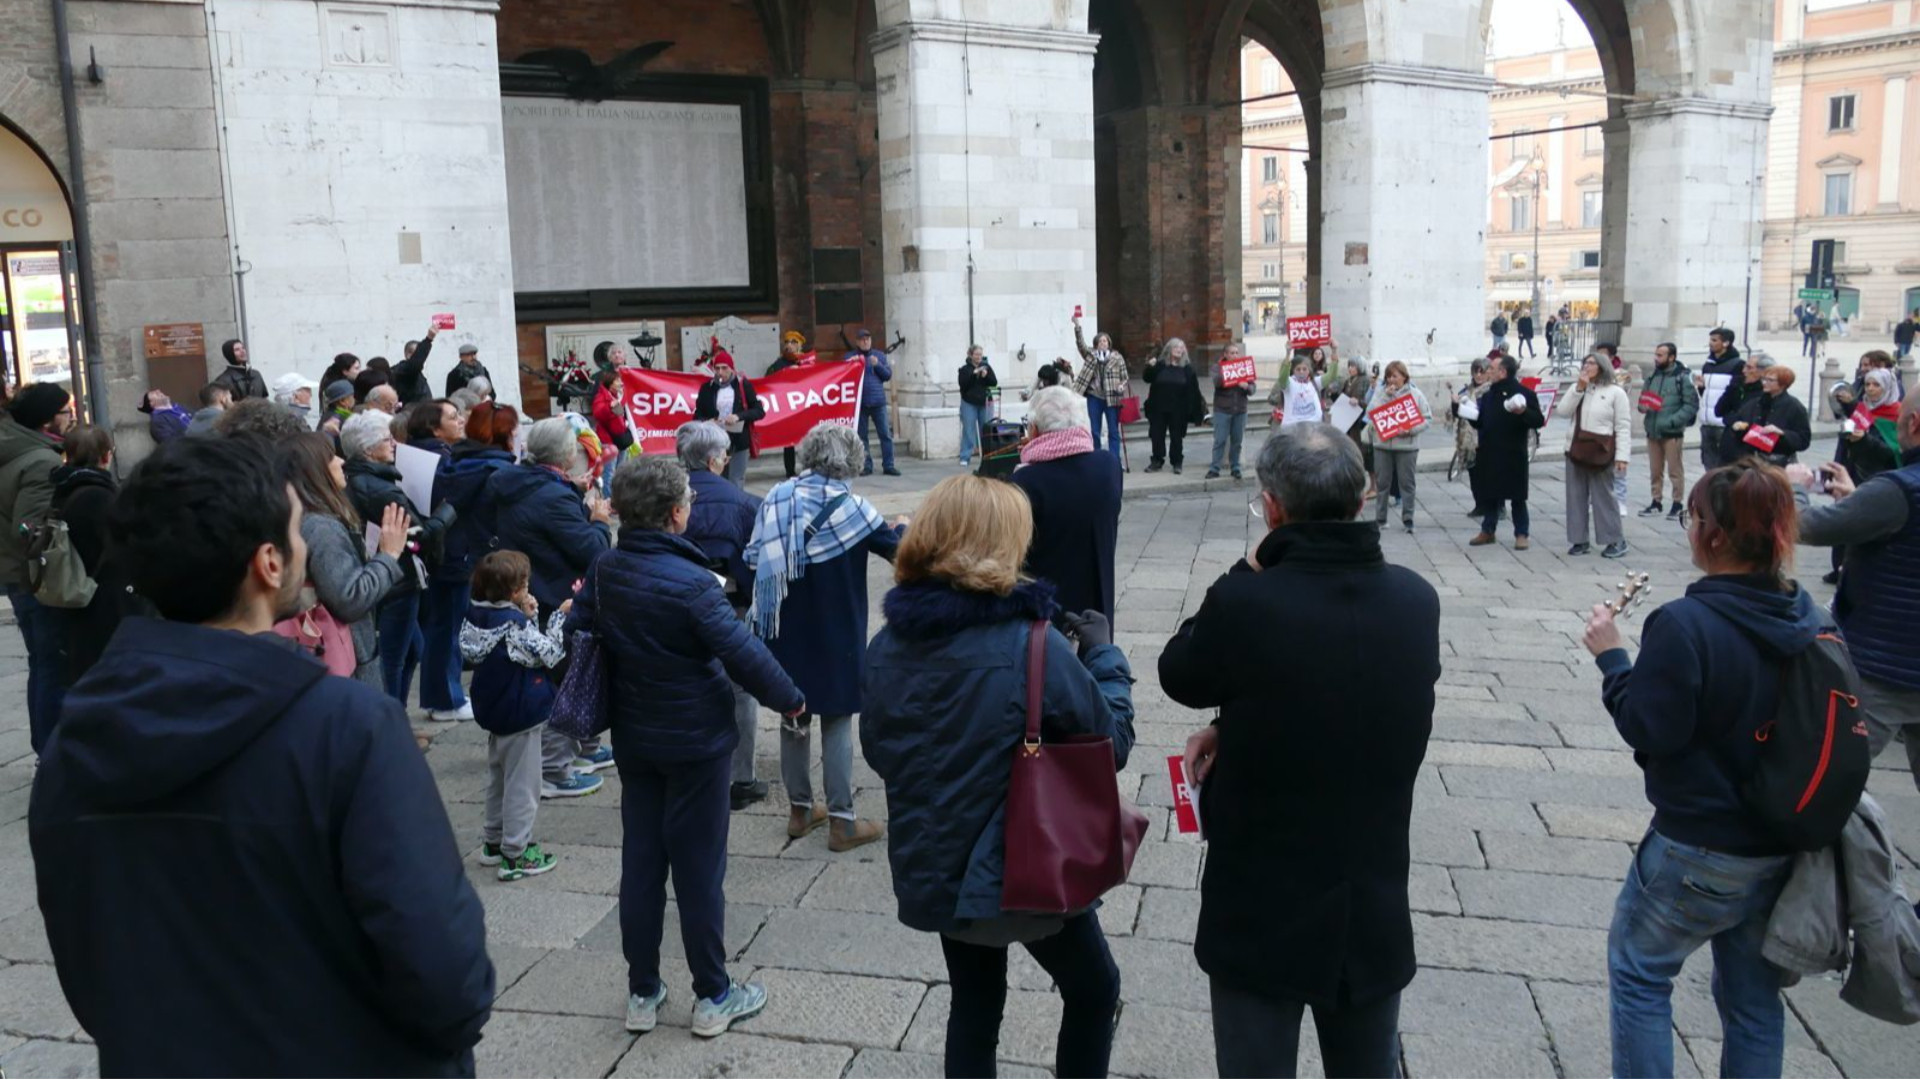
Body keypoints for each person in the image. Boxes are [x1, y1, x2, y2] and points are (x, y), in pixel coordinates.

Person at [30, 437, 493, 1075]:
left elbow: (86, 963)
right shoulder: (348, 729)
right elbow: (444, 969)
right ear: (270, 563)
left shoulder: (73, 742)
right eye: (300, 531)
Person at [1161, 422, 1439, 1078]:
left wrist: (1246, 565)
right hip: (1367, 900)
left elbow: (1182, 673)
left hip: (1261, 904)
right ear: (1365, 496)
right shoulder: (1414, 600)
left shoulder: (1247, 600)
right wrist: (1238, 726)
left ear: (1272, 507)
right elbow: (1347, 691)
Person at [861, 474, 1134, 1078]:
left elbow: (879, 749)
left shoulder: (886, 645)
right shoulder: (1033, 644)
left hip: (938, 864)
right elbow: (1110, 744)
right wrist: (1105, 656)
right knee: (1094, 988)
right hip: (1023, 865)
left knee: (975, 1001)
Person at [1580, 459, 1820, 1079]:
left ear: (1713, 536)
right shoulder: (1808, 616)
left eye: (1693, 518)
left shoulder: (1686, 623)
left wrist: (1613, 661)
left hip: (1699, 844)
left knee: (1640, 973)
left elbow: (1650, 728)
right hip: (1779, 842)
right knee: (1753, 1000)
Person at [567, 455, 804, 1038]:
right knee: (699, 869)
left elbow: (578, 632)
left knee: (642, 863)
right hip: (697, 740)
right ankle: (714, 994)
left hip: (637, 734)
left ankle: (642, 991)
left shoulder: (605, 567)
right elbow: (742, 653)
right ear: (675, 514)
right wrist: (792, 701)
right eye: (689, 504)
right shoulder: (695, 583)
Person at [744, 424, 905, 851]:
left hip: (785, 628)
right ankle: (842, 822)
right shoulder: (856, 509)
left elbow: (753, 557)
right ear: (851, 460)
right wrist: (903, 528)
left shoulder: (777, 499)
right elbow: (899, 552)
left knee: (792, 715)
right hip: (837, 631)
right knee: (837, 718)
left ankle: (799, 811)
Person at [1789, 394, 1920, 809]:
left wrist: (1793, 487)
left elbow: (1803, 527)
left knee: (1822, 782)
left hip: (1888, 666)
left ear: (1914, 424)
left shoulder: (1897, 491)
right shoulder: (1889, 495)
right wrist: (1858, 499)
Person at [489, 417, 614, 798]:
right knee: (569, 673)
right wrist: (598, 521)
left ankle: (583, 745)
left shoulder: (520, 481)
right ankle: (554, 769)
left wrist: (572, 493)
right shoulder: (551, 495)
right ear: (565, 455)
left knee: (571, 669)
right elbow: (592, 549)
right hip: (555, 593)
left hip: (536, 586)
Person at [676, 420, 771, 811]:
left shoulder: (667, 498)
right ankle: (740, 778)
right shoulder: (745, 502)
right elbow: (762, 562)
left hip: (677, 604)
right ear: (717, 460)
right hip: (732, 606)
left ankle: (691, 769)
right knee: (741, 689)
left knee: (684, 681)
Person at [460, 550, 567, 882]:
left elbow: (515, 652)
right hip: (521, 712)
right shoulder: (513, 624)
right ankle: (516, 854)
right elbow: (548, 654)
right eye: (524, 583)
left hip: (494, 709)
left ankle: (493, 842)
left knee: (498, 779)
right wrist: (558, 619)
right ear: (514, 590)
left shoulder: (477, 615)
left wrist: (528, 616)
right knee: (523, 785)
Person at [280, 432, 408, 687]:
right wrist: (389, 555)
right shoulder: (320, 527)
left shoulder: (301, 515)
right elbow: (350, 598)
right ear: (314, 471)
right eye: (330, 457)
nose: (341, 461)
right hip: (347, 661)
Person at [340, 410, 448, 707]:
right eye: (387, 439)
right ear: (367, 450)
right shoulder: (379, 488)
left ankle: (396, 721)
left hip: (393, 577)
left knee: (412, 650)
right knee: (392, 659)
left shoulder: (366, 478)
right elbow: (419, 535)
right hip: (396, 580)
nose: (394, 443)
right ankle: (391, 728)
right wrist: (448, 512)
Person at [1010, 387, 1123, 626]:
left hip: (1046, 609)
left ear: (1035, 430)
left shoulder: (1026, 481)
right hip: (1097, 606)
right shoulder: (1108, 467)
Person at [1, 382, 74, 750]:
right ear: (47, 419)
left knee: (41, 663)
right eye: (65, 411)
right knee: (52, 666)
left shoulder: (15, 447)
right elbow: (28, 530)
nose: (70, 417)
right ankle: (50, 750)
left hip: (15, 574)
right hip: (35, 577)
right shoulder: (41, 460)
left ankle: (45, 747)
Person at [404, 399, 480, 722]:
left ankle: (442, 697)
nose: (460, 420)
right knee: (447, 627)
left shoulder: (417, 454)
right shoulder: (440, 460)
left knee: (441, 626)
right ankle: (447, 699)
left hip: (434, 552)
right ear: (434, 428)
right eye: (452, 417)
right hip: (448, 552)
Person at [45, 425, 137, 687]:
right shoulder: (98, 495)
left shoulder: (63, 488)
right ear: (106, 456)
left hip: (78, 595)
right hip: (102, 598)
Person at [1470, 354, 1546, 550]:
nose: (1489, 373)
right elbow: (1480, 422)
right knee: (1490, 494)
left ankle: (1521, 533)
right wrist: (1460, 410)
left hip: (1513, 452)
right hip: (1490, 451)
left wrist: (1523, 412)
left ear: (1503, 372)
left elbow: (1538, 420)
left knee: (1517, 496)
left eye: (1492, 369)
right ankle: (1488, 530)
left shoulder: (1524, 394)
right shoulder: (1488, 395)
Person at [1561, 355, 1633, 558]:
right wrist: (1578, 389)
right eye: (1585, 363)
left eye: (1591, 363)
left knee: (1604, 498)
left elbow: (1622, 426)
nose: (1586, 366)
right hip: (1575, 448)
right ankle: (1579, 539)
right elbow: (1563, 411)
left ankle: (1615, 539)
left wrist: (1622, 456)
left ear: (1602, 367)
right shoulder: (1578, 388)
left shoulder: (1615, 393)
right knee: (1575, 497)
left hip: (1601, 451)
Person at [1364, 360, 1430, 534]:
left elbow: (1427, 418)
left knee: (1407, 483)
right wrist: (1385, 395)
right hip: (1382, 445)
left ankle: (1408, 519)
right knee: (1382, 483)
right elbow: (1371, 413)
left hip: (1406, 447)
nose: (1391, 380)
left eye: (1395, 376)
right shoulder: (1381, 393)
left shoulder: (1415, 395)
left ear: (1404, 376)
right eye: (1388, 376)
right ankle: (1381, 518)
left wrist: (1410, 430)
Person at [1637, 342, 1700, 520]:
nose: (1656, 358)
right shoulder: (1652, 378)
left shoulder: (1682, 378)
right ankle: (1656, 501)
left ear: (1671, 357)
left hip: (1672, 432)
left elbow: (1691, 405)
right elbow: (1644, 398)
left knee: (1675, 470)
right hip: (1653, 429)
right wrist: (1643, 406)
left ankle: (1677, 503)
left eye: (1660, 355)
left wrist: (1674, 421)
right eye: (1656, 354)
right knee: (1655, 469)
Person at [693, 349, 764, 487]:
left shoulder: (742, 385)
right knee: (718, 479)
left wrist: (739, 416)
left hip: (738, 440)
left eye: (724, 368)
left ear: (731, 369)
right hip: (715, 441)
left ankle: (736, 507)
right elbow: (697, 414)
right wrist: (707, 422)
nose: (720, 372)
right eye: (717, 368)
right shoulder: (707, 388)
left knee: (736, 480)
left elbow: (759, 411)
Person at [1143, 337, 1205, 474]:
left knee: (1177, 437)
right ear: (1169, 350)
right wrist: (1149, 366)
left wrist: (1197, 412)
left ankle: (1177, 462)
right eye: (1176, 347)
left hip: (1178, 409)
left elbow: (1194, 391)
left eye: (1181, 347)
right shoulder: (1160, 365)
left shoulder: (1187, 370)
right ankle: (1157, 461)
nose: (1179, 350)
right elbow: (1147, 378)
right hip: (1158, 408)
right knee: (1157, 435)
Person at [1728, 366, 1812, 466]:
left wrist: (1782, 433)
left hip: (1780, 463)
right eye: (1764, 379)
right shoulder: (1755, 403)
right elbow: (1739, 423)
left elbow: (1803, 440)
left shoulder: (1794, 406)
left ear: (1783, 384)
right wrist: (1739, 427)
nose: (1764, 383)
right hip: (1753, 461)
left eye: (1770, 380)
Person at [1073, 315, 1130, 460]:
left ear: (1109, 343)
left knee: (1113, 431)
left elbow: (1125, 377)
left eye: (1105, 341)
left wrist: (1121, 385)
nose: (1103, 343)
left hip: (1112, 398)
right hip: (1095, 397)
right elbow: (1081, 345)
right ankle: (1097, 458)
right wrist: (1077, 325)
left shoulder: (1117, 358)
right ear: (1096, 344)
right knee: (1095, 431)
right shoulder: (1091, 356)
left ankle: (1114, 460)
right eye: (1100, 341)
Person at [847, 328, 899, 476]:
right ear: (857, 342)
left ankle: (888, 465)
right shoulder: (851, 356)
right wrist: (850, 363)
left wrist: (877, 365)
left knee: (885, 435)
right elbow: (843, 373)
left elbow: (887, 375)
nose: (865, 341)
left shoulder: (879, 356)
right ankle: (866, 466)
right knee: (862, 437)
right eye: (862, 339)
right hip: (860, 403)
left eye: (868, 339)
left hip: (878, 402)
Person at [767, 332, 818, 478]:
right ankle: (790, 470)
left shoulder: (807, 361)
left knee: (811, 437)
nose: (790, 344)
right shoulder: (779, 364)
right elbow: (770, 381)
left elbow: (817, 378)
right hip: (788, 406)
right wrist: (786, 373)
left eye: (794, 342)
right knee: (788, 440)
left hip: (806, 405)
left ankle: (811, 466)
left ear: (799, 344)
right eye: (787, 341)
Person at [1696, 330, 1747, 470]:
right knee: (1709, 466)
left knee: (1726, 467)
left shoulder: (1738, 365)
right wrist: (1701, 387)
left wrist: (1730, 418)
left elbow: (1738, 395)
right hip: (1707, 423)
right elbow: (1707, 393)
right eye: (1710, 340)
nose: (1710, 343)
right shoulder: (1708, 365)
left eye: (1714, 340)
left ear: (1726, 343)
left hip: (1723, 425)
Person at [1207, 344, 1257, 480]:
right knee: (1220, 440)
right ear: (1225, 355)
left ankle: (1235, 467)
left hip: (1240, 409)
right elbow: (1217, 382)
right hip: (1222, 409)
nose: (1235, 355)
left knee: (1237, 440)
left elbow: (1253, 389)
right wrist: (1231, 375)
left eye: (1237, 353)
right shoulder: (1217, 367)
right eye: (1232, 353)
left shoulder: (1245, 367)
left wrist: (1247, 386)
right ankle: (1214, 468)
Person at [1452, 358, 1493, 517]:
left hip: (1485, 437)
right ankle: (1479, 504)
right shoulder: (1466, 390)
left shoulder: (1491, 390)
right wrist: (1455, 404)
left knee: (1490, 475)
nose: (1478, 374)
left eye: (1482, 371)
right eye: (1475, 371)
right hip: (1468, 440)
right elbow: (1457, 414)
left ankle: (1496, 506)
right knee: (1474, 473)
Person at [590, 366, 632, 498]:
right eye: (617, 381)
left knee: (621, 472)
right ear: (610, 383)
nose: (621, 383)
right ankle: (609, 501)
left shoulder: (618, 396)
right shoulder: (601, 397)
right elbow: (598, 414)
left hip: (620, 439)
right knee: (609, 473)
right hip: (609, 441)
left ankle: (618, 499)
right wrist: (610, 407)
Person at [956, 345, 998, 469]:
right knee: (968, 429)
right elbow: (963, 385)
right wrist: (974, 374)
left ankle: (987, 454)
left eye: (980, 354)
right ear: (970, 355)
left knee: (986, 429)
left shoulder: (986, 366)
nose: (979, 357)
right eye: (976, 354)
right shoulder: (965, 369)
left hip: (984, 402)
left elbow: (994, 382)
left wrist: (986, 376)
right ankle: (965, 456)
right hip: (969, 402)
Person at [392, 328, 438, 406]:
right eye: (419, 355)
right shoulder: (405, 371)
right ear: (408, 354)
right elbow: (415, 365)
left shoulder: (408, 370)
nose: (422, 358)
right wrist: (429, 339)